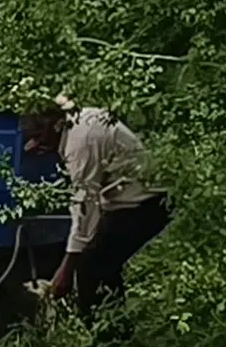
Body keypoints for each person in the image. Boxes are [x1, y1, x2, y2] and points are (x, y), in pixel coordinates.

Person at [21, 105, 172, 321]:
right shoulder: (78, 125)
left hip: (145, 202)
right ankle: (114, 332)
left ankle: (105, 338)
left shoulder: (80, 143)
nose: (35, 144)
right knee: (102, 264)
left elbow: (85, 209)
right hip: (131, 199)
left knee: (90, 267)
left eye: (39, 134)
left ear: (56, 123)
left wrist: (64, 271)